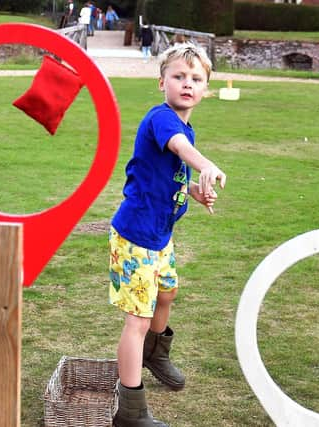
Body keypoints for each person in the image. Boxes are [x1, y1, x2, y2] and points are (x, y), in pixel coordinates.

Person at [109, 43, 226, 427]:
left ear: (206, 88)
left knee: (168, 294)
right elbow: (180, 148)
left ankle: (155, 356)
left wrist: (194, 190)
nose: (187, 84)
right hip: (136, 236)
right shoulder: (163, 119)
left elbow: (172, 175)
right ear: (162, 82)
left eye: (196, 79)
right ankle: (130, 409)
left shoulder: (184, 125)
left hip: (160, 236)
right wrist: (206, 163)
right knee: (137, 321)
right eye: (179, 76)